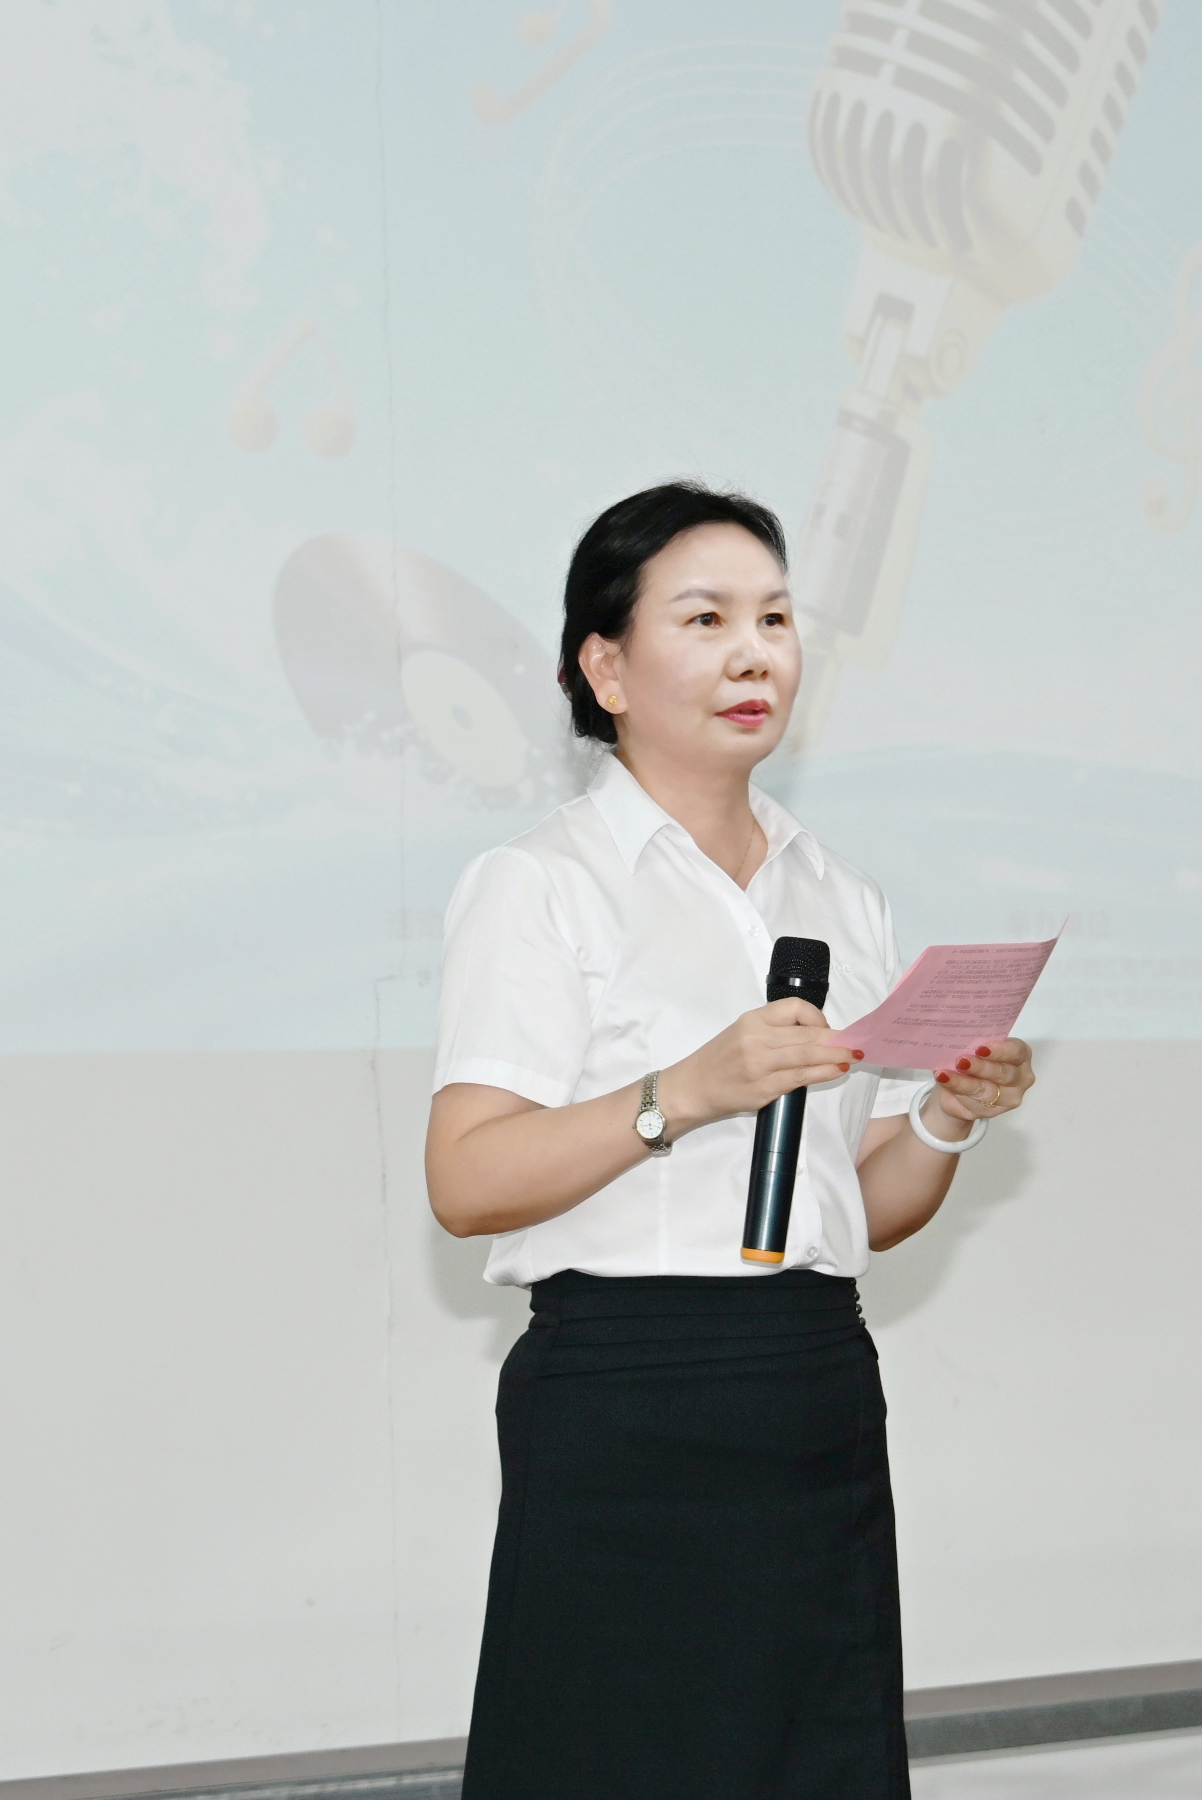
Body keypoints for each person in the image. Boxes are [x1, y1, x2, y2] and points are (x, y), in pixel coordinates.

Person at [427, 481, 1037, 1799]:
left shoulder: (841, 895)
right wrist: (684, 1092)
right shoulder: (543, 886)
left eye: (774, 618)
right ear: (605, 669)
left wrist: (946, 1116)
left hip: (812, 1388)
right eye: (704, 619)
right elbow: (466, 1178)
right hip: (625, 1399)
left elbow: (857, 1206)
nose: (754, 652)